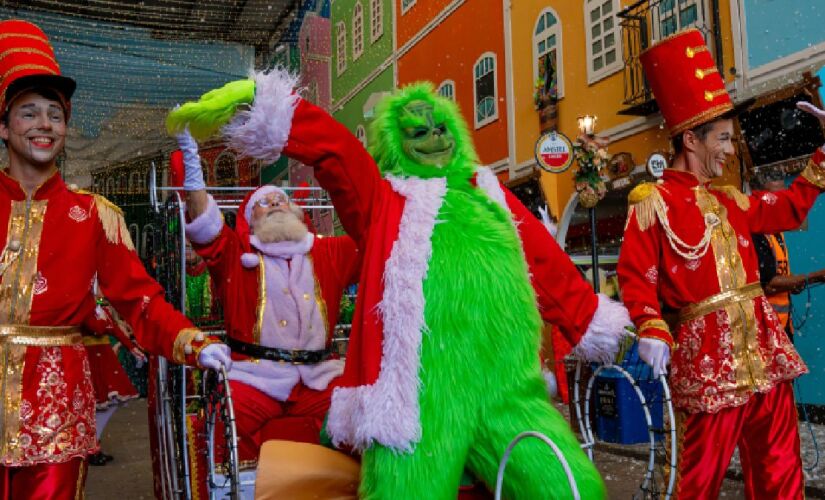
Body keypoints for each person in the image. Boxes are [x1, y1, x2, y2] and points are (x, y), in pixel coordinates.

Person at [168, 69, 633, 499]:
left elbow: (545, 263)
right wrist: (272, 105)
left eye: (439, 129)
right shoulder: (385, 202)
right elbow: (337, 153)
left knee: (570, 488)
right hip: (418, 404)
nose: (432, 138)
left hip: (507, 392)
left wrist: (591, 321)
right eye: (417, 133)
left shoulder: (489, 192)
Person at [0, 19, 231, 499]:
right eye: (28, 113)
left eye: (55, 115)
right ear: (3, 126)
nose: (44, 124)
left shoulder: (93, 215)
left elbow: (140, 300)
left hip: (56, 409)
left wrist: (193, 343)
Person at [616, 28, 825, 499]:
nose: (731, 150)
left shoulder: (730, 200)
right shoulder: (653, 202)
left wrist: (823, 155)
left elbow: (789, 207)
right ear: (691, 138)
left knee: (780, 466)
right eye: (724, 139)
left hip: (763, 352)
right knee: (698, 477)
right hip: (705, 358)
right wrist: (650, 325)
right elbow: (635, 276)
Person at [178, 129, 361, 471]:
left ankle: (342, 487)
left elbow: (373, 240)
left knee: (359, 415)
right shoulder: (238, 254)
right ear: (250, 219)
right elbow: (206, 226)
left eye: (281, 199)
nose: (276, 203)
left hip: (319, 374)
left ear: (297, 213)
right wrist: (193, 169)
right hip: (254, 376)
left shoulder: (327, 252)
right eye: (265, 201)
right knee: (226, 423)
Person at [750, 168, 825, 340]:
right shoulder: (755, 233)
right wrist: (814, 277)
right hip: (766, 331)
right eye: (775, 198)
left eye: (784, 196)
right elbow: (769, 284)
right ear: (758, 197)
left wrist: (793, 282)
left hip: (783, 326)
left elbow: (777, 276)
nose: (781, 204)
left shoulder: (776, 230)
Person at [81, 293, 144, 466]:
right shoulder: (84, 306)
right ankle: (91, 446)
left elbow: (113, 328)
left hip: (102, 356)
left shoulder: (97, 306)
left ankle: (93, 444)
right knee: (98, 402)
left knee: (107, 402)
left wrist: (131, 348)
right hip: (92, 357)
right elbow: (98, 327)